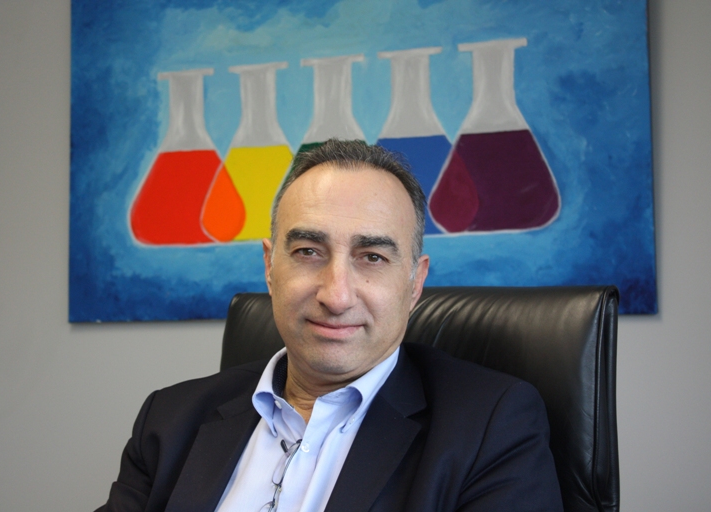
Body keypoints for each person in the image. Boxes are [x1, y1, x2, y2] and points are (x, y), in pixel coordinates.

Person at [97, 139, 563, 512]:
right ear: (270, 266)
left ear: (415, 282)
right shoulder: (170, 419)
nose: (336, 296)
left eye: (372, 257)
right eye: (308, 252)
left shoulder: (491, 428)